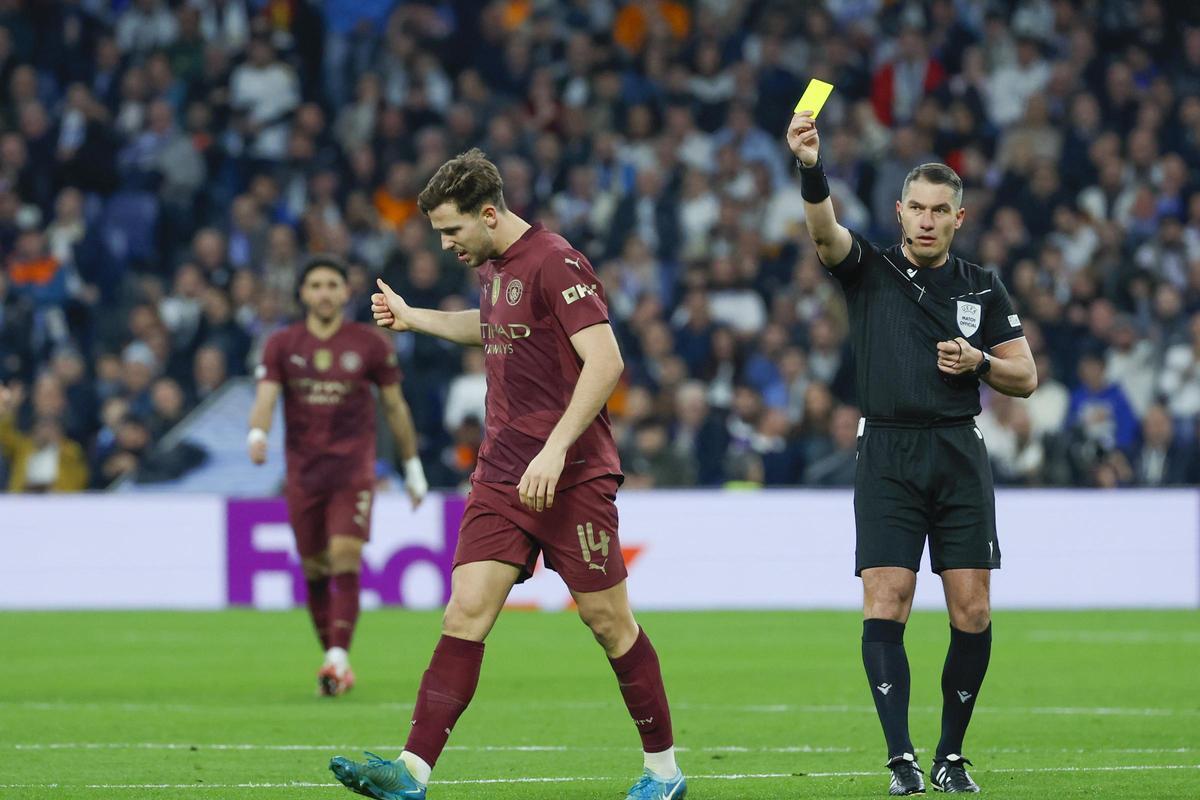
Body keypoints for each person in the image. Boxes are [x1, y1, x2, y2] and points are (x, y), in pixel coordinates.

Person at [329, 149, 686, 800]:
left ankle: (664, 773)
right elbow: (489, 325)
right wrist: (414, 319)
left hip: (570, 473)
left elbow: (606, 362)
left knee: (609, 622)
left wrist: (552, 451)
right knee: (465, 611)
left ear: (488, 214)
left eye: (451, 230)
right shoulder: (492, 268)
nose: (445, 244)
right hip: (501, 472)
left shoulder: (557, 260)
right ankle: (411, 773)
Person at [788, 111, 1037, 795]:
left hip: (959, 449)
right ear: (900, 212)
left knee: (973, 611)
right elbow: (822, 231)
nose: (927, 221)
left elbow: (1026, 375)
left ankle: (951, 755)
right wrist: (811, 165)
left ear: (960, 217)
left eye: (941, 211)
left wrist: (980, 360)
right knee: (886, 597)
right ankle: (901, 758)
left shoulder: (981, 285)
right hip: (889, 451)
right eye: (917, 209)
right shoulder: (869, 268)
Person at [247, 255, 427, 697]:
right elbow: (267, 396)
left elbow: (394, 406)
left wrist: (412, 464)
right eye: (316, 285)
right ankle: (333, 654)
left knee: (345, 556)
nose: (324, 293)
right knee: (313, 567)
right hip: (304, 474)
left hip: (353, 470)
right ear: (303, 294)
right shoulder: (282, 343)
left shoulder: (370, 344)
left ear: (347, 293)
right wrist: (257, 432)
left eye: (332, 285)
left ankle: (337, 658)